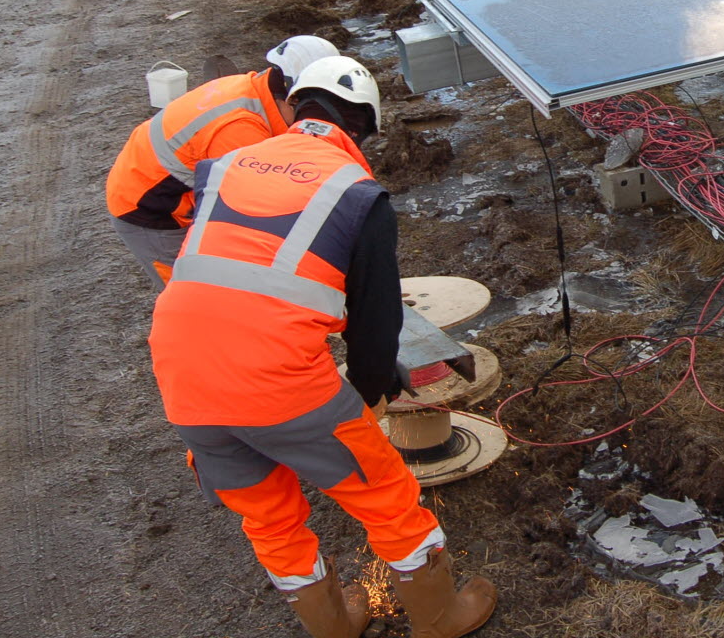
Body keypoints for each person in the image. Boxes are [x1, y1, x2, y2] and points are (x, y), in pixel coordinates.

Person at [147, 57, 496, 638]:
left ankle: (333, 625)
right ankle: (440, 619)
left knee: (267, 516)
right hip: (275, 381)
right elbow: (375, 322)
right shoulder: (358, 196)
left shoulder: (221, 166)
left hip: (181, 377)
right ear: (361, 129)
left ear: (297, 108)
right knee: (383, 490)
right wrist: (373, 393)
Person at [106, 35, 339, 287]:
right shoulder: (239, 130)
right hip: (150, 209)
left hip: (172, 181)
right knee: (193, 294)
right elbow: (256, 212)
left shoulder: (252, 88)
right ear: (293, 97)